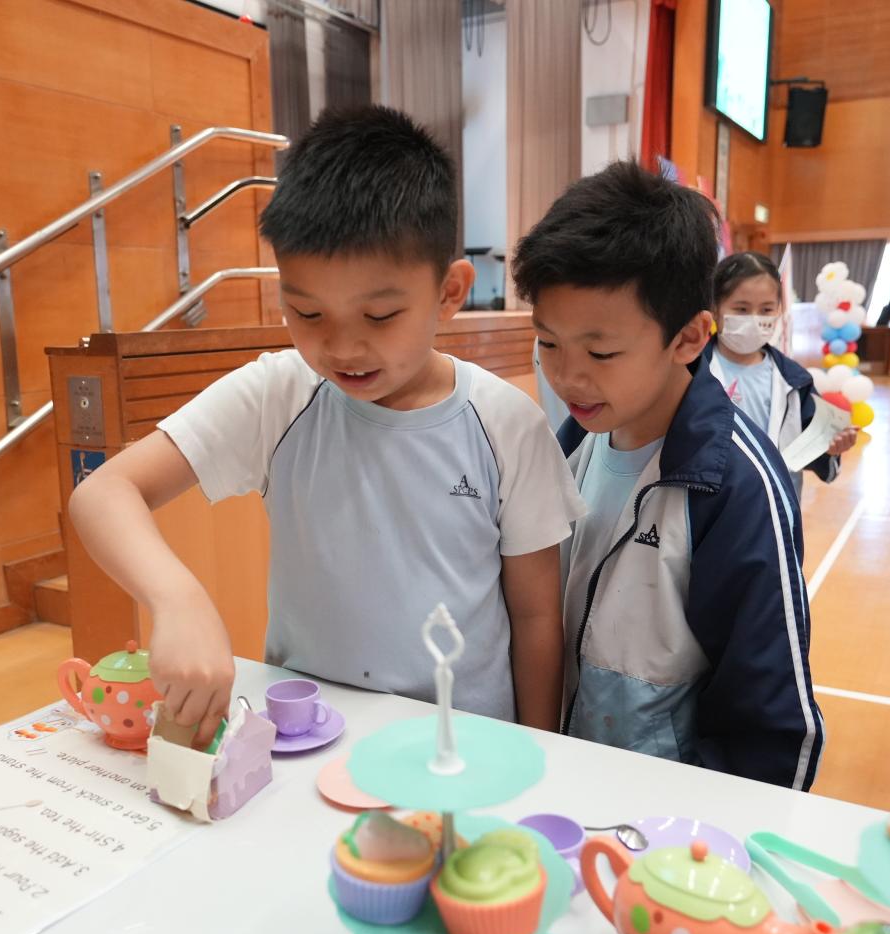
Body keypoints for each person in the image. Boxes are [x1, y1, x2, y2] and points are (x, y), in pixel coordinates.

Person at [69, 106, 585, 746]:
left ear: (449, 292)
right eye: (307, 313)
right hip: (311, 740)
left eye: (380, 316)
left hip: (461, 747)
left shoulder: (506, 423)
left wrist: (538, 749)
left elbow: (536, 617)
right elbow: (103, 492)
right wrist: (177, 599)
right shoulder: (278, 394)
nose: (342, 348)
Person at [512, 162, 824, 789]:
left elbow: (772, 732)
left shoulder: (734, 488)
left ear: (688, 338)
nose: (567, 376)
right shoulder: (567, 447)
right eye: (548, 343)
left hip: (662, 821)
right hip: (561, 788)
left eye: (601, 352)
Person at [706, 252, 858, 496]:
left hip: (778, 504)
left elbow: (812, 444)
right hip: (712, 504)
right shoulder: (691, 372)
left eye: (766, 309)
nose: (755, 319)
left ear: (779, 310)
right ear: (714, 308)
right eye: (741, 309)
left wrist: (832, 446)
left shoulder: (795, 380)